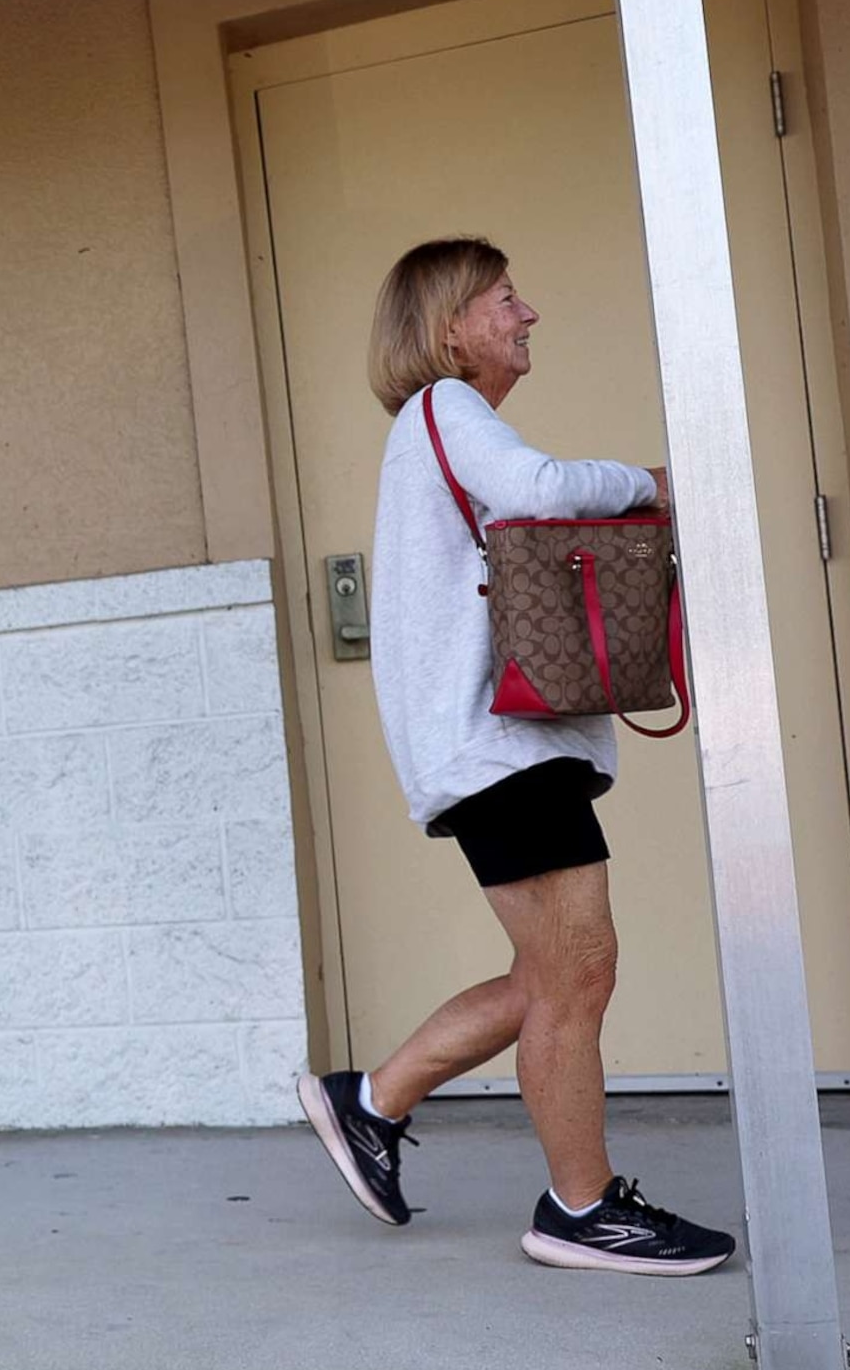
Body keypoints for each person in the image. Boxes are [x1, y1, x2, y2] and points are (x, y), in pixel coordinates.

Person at [295, 238, 734, 1274]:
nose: (527, 314)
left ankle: (371, 1100)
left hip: (501, 750)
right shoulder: (445, 409)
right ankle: (580, 1208)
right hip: (500, 751)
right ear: (449, 327)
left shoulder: (447, 423)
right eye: (505, 299)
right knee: (578, 971)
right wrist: (660, 481)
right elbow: (541, 486)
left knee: (555, 973)